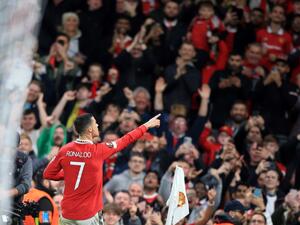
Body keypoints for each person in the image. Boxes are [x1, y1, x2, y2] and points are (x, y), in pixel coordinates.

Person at [43, 113, 161, 224]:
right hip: (88, 216)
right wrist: (147, 125)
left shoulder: (65, 149)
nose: (98, 125)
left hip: (67, 213)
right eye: (95, 123)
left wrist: (70, 173)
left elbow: (48, 174)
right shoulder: (99, 150)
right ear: (90, 129)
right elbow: (126, 139)